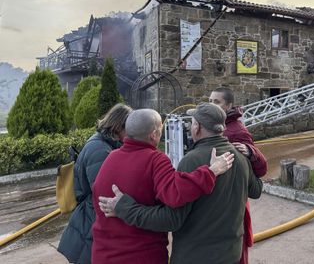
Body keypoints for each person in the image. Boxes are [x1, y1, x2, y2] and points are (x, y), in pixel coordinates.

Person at [98, 103, 263, 264]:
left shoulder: (191, 160)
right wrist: (252, 154)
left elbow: (173, 218)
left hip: (195, 256)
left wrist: (125, 208)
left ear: (196, 127)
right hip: (232, 254)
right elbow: (257, 190)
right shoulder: (241, 157)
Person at [57, 103, 133, 264]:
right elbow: (103, 192)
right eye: (130, 129)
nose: (132, 135)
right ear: (119, 127)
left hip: (89, 218)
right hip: (90, 222)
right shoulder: (99, 150)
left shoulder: (102, 143)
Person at [209, 86, 268, 264]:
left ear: (228, 106)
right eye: (210, 101)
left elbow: (261, 169)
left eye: (216, 102)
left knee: (237, 251)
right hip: (217, 198)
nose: (212, 105)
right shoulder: (212, 124)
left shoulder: (237, 130)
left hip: (233, 200)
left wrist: (250, 151)